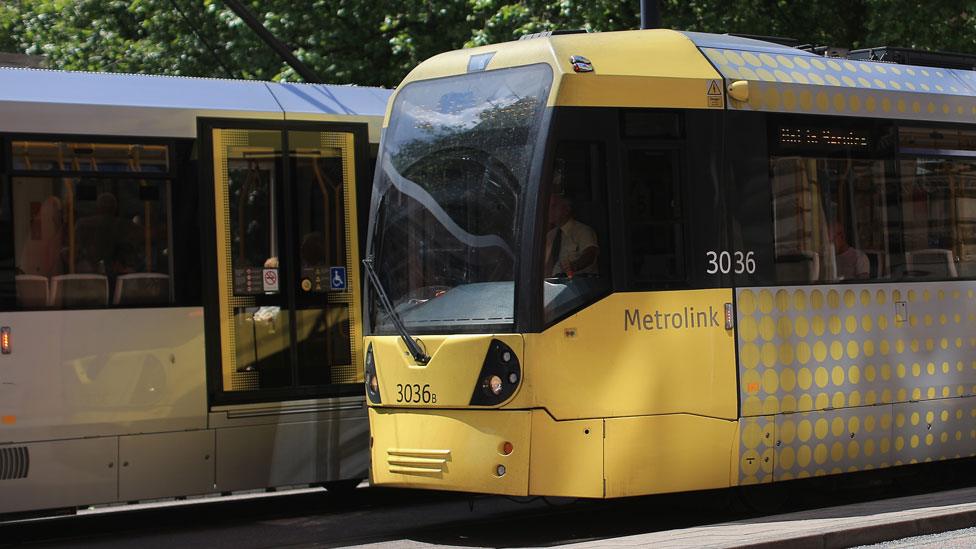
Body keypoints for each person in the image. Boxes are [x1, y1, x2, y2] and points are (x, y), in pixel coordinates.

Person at [544, 193, 598, 277]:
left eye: (554, 206)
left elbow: (590, 254)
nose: (549, 210)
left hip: (577, 286)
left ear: (567, 210)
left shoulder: (583, 231)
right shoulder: (550, 236)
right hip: (550, 286)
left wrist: (574, 266)